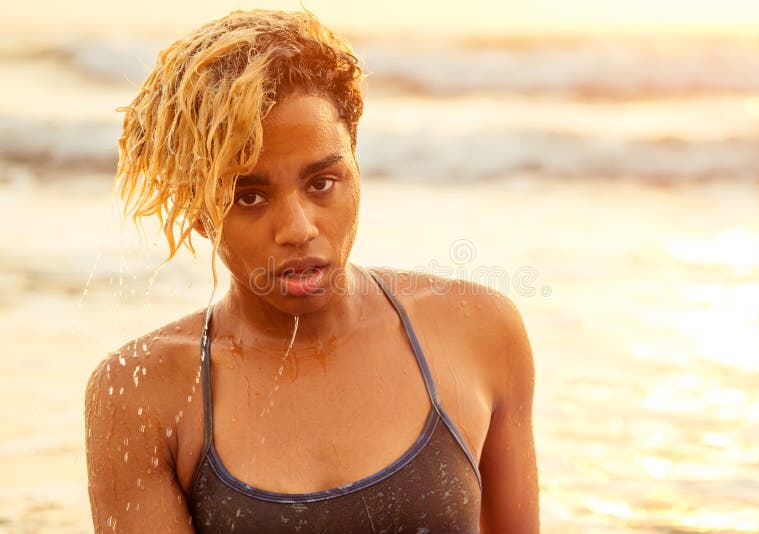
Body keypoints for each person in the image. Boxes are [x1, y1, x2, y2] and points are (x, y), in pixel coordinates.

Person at [85, 9, 539, 533]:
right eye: (249, 196)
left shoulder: (477, 331)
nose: (298, 228)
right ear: (200, 211)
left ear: (355, 165)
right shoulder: (141, 392)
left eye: (322, 183)